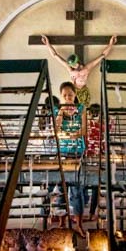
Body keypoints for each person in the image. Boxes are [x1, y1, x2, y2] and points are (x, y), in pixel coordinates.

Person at [42, 34, 118, 107]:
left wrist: (111, 44)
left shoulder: (86, 68)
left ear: (77, 61)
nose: (73, 66)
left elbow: (102, 55)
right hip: (73, 91)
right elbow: (55, 55)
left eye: (74, 64)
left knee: (84, 111)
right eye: (71, 65)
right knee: (71, 110)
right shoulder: (70, 69)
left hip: (83, 90)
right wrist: (47, 44)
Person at [54, 81, 87, 237]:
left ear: (75, 95)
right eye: (65, 96)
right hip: (62, 151)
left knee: (76, 189)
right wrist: (61, 111)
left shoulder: (81, 109)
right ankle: (61, 223)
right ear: (61, 96)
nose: (68, 98)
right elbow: (56, 128)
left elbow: (84, 129)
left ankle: (78, 224)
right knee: (61, 188)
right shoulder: (57, 110)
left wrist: (74, 134)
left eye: (70, 95)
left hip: (77, 151)